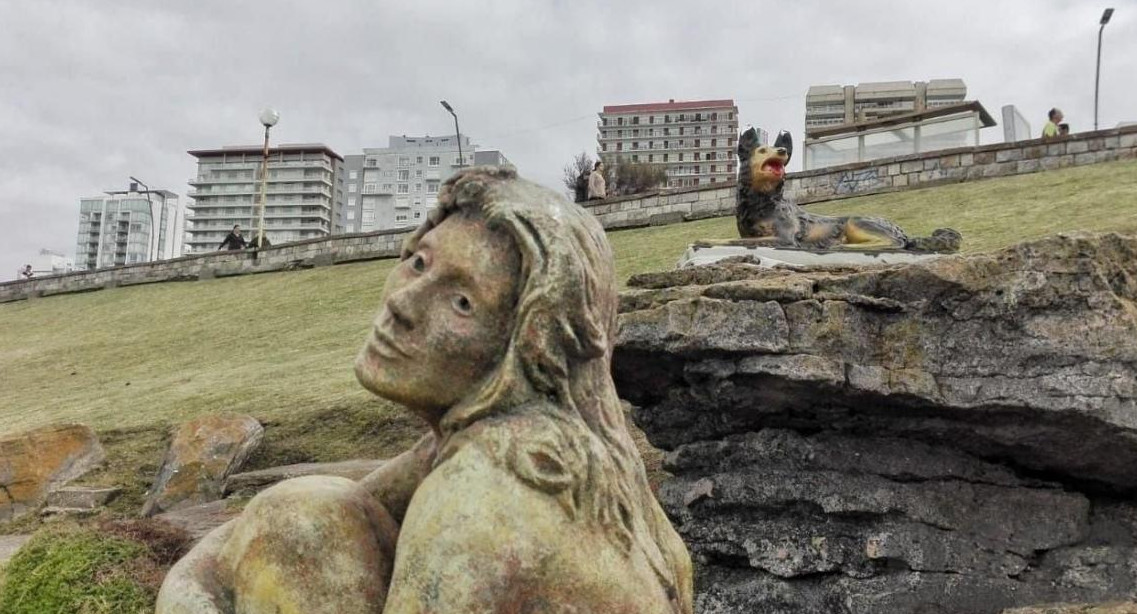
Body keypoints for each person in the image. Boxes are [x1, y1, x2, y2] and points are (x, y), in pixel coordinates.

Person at [157, 167, 693, 613]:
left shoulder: (479, 500)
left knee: (302, 524)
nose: (404, 302)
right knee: (308, 511)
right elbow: (328, 511)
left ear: (525, 349)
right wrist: (189, 593)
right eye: (419, 262)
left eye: (462, 303)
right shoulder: (548, 448)